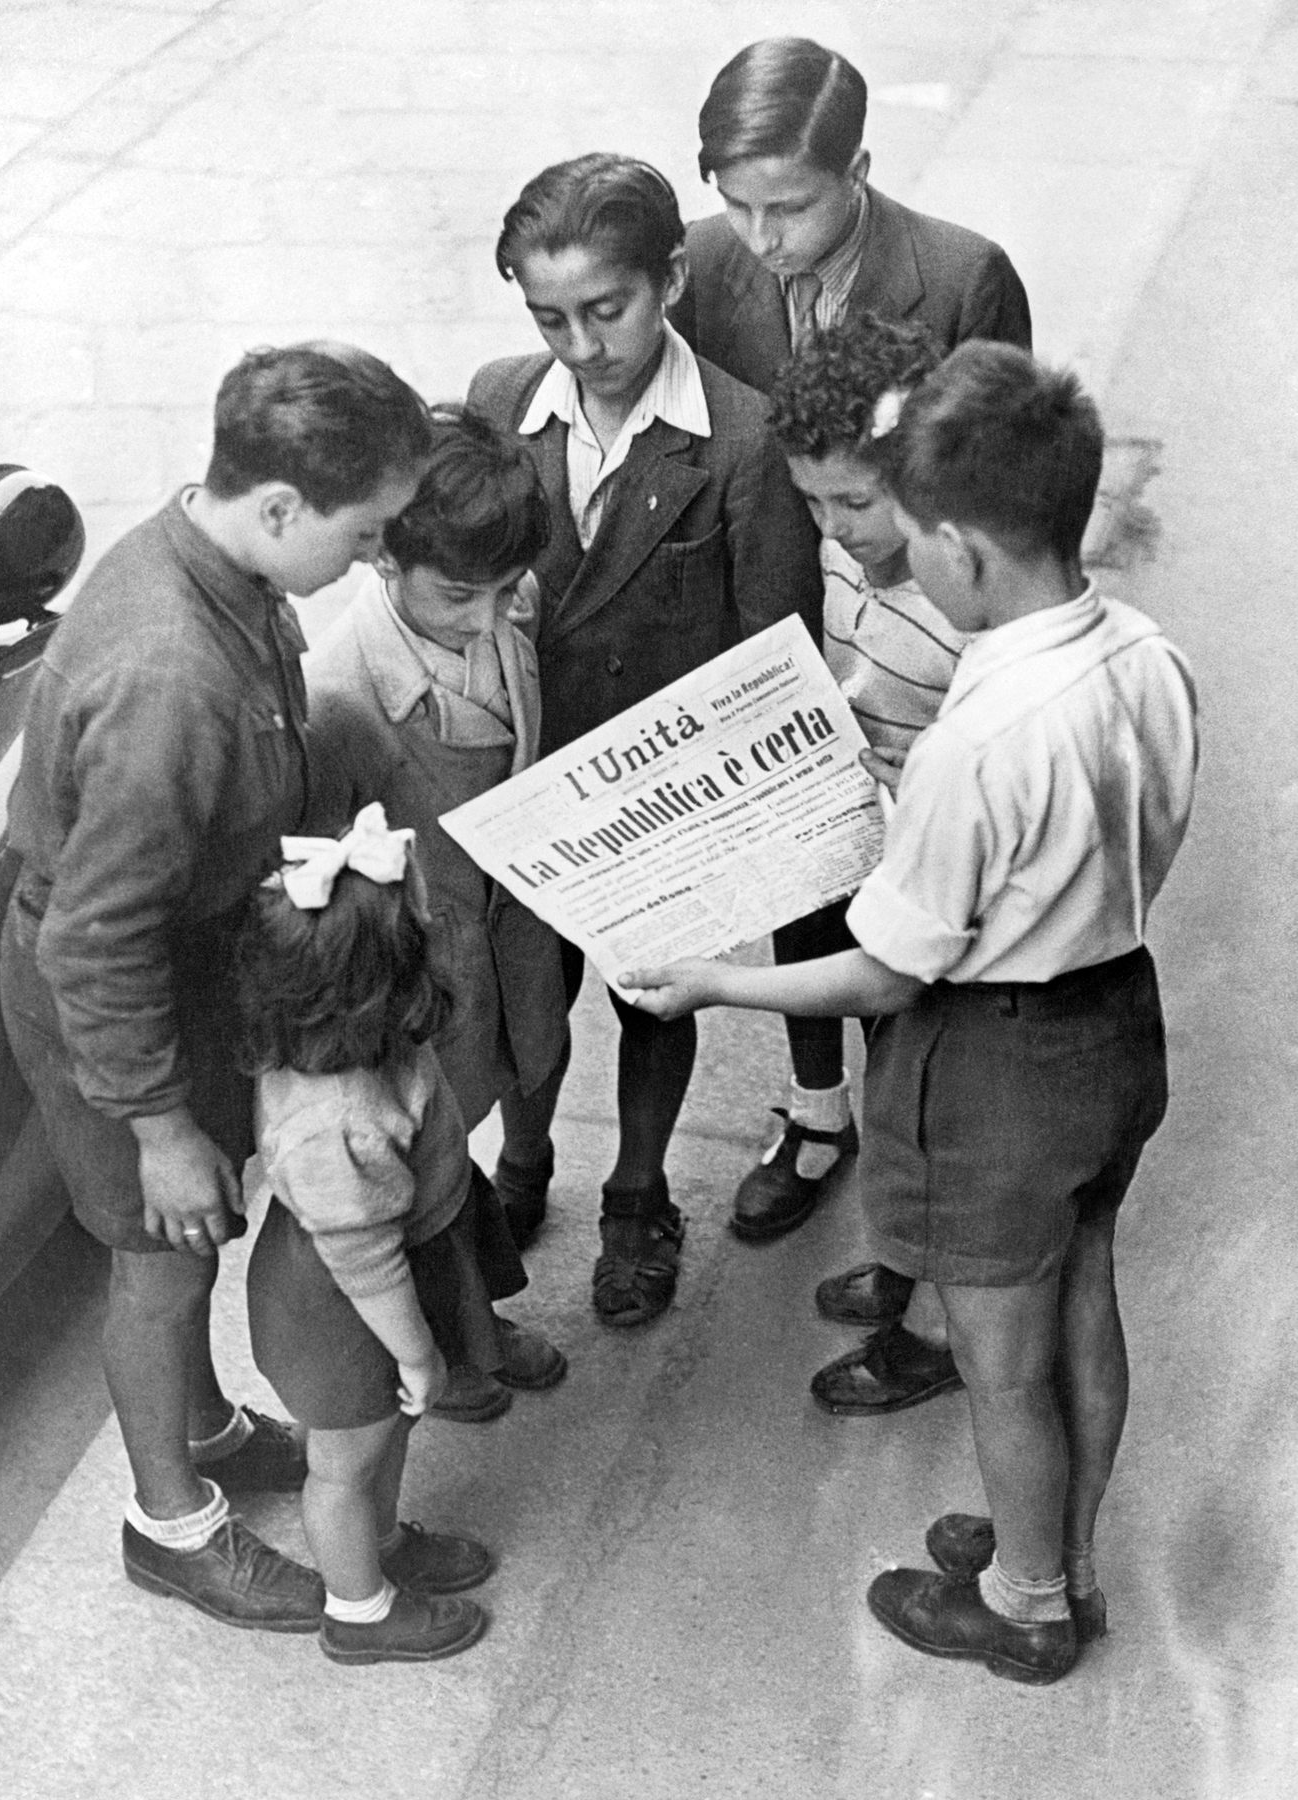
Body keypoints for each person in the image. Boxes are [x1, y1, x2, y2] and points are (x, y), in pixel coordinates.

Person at [626, 343, 1197, 1683]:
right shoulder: (1147, 653)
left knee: (998, 1362)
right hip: (1117, 1014)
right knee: (1081, 1305)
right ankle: (1066, 1549)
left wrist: (712, 978)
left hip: (998, 1061)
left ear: (959, 545)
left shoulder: (975, 738)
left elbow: (884, 975)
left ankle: (1024, 1603)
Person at [0, 344, 428, 1632]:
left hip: (177, 971)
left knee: (180, 1246)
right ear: (283, 507)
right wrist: (159, 1126)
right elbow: (92, 936)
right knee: (163, 1256)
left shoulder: (221, 562)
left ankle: (208, 1425)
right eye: (364, 536)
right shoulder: (169, 676)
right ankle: (172, 1524)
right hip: (115, 998)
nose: (371, 563)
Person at [670, 36, 1032, 1307]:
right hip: (782, 607)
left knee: (919, 915)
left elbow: (1004, 476)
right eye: (736, 201)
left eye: (794, 205)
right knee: (805, 869)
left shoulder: (964, 277)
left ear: (861, 170)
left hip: (913, 629)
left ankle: (913, 1160)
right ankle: (817, 1109)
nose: (762, 238)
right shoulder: (703, 263)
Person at [466, 152, 819, 1330]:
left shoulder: (742, 440)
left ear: (670, 276)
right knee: (528, 993)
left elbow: (775, 652)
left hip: (667, 798)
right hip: (525, 781)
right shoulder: (498, 398)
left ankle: (637, 1194)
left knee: (655, 1004)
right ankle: (524, 1165)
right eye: (548, 317)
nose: (578, 346)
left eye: (605, 312)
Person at [304, 407, 568, 1422]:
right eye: (461, 596)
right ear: (384, 564)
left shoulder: (503, 595)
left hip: (514, 928)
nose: (493, 620)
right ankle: (458, 1342)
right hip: (426, 969)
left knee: (526, 1073)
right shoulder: (337, 693)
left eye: (508, 593)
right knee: (430, 1171)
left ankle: (476, 1315)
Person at [764, 311, 970, 1415]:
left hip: (939, 895)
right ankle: (903, 1261)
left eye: (855, 503)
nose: (834, 532)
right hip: (856, 849)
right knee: (893, 1099)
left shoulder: (968, 598)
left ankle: (930, 1329)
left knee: (932, 1108)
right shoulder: (851, 566)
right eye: (812, 502)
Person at [239, 804, 498, 1664]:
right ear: (383, 984)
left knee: (386, 1431)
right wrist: (420, 1352)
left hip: (376, 1275)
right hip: (345, 1302)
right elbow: (361, 1255)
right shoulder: (336, 1119)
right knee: (343, 1462)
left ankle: (381, 1544)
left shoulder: (343, 1045)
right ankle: (359, 1610)